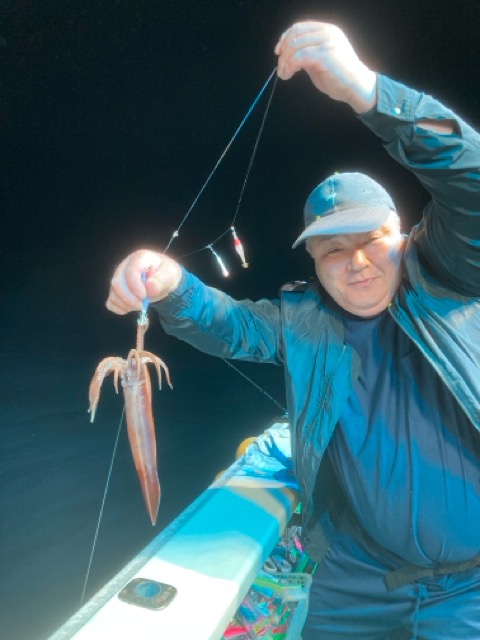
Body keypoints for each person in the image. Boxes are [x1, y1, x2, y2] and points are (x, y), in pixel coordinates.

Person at [106, 21, 480, 639]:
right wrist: (170, 281)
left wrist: (369, 92)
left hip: (470, 587)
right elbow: (227, 326)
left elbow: (471, 181)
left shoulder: (450, 280)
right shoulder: (305, 324)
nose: (356, 261)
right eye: (332, 250)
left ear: (404, 236)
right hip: (356, 578)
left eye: (371, 240)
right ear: (313, 263)